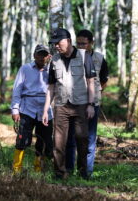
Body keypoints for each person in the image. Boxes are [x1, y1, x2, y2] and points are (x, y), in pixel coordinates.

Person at [42, 28, 96, 180]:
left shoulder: (84, 56)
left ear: (68, 41)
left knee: (82, 139)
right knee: (58, 142)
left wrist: (91, 104)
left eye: (58, 43)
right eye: (54, 44)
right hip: (61, 106)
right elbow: (51, 87)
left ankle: (83, 172)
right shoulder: (54, 60)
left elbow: (91, 82)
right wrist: (46, 109)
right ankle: (59, 172)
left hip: (81, 105)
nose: (56, 46)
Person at [65, 29, 109, 177]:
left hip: (92, 105)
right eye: (78, 43)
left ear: (91, 43)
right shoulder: (71, 56)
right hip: (73, 103)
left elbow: (103, 81)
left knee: (89, 139)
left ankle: (86, 172)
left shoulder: (100, 59)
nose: (81, 46)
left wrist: (94, 95)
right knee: (71, 138)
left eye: (84, 43)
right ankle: (69, 169)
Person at [11, 44, 53, 174]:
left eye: (45, 55)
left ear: (49, 57)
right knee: (22, 139)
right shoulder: (25, 69)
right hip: (27, 108)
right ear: (34, 55)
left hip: (45, 109)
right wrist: (15, 109)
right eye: (39, 54)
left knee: (43, 140)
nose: (42, 57)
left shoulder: (52, 70)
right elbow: (17, 89)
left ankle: (38, 168)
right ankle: (16, 169)